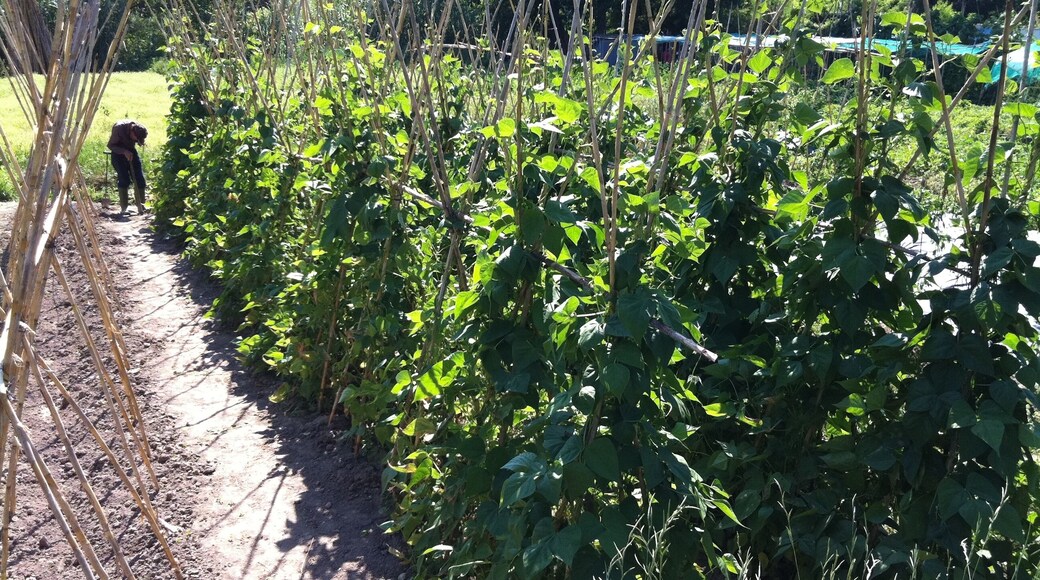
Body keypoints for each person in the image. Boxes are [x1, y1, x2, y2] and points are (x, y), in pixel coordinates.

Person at [107, 119, 148, 215]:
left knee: (140, 178)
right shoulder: (118, 128)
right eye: (135, 139)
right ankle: (124, 208)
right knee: (124, 179)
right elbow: (111, 145)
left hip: (131, 151)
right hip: (117, 153)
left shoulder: (137, 130)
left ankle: (141, 205)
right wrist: (124, 151)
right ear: (132, 132)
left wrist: (130, 150)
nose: (135, 141)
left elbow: (138, 141)